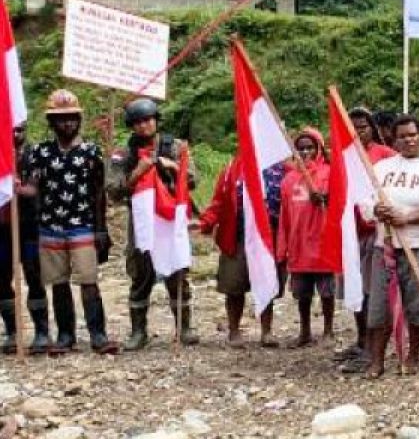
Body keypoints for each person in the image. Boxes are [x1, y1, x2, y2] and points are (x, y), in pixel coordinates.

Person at [26, 90, 118, 354]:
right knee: (59, 282)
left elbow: (99, 192)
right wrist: (12, 186)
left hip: (83, 225)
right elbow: (33, 188)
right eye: (60, 118)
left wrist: (101, 229)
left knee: (88, 280)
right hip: (50, 226)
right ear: (51, 122)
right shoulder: (40, 152)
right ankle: (65, 335)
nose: (66, 123)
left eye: (71, 118)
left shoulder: (90, 151)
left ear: (79, 119)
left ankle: (98, 335)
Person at [363, 113, 419, 377]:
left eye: (413, 134)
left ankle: (413, 356)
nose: (409, 140)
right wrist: (377, 210)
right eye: (403, 136)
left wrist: (405, 218)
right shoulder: (381, 169)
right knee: (379, 305)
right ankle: (376, 361)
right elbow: (365, 202)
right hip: (385, 247)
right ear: (394, 139)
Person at [108, 97, 198, 350]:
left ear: (156, 120)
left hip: (169, 217)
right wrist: (138, 172)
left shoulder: (175, 146)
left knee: (176, 270)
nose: (143, 125)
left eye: (147, 119)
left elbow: (192, 180)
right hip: (141, 221)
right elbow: (113, 190)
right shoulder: (123, 154)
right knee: (140, 272)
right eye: (137, 122)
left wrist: (174, 167)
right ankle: (138, 331)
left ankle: (185, 327)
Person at [336, 105, 396, 372]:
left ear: (372, 128)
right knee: (354, 288)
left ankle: (374, 346)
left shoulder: (386, 156)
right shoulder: (342, 156)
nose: (358, 131)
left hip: (376, 233)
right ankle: (361, 340)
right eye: (353, 126)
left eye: (362, 126)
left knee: (374, 292)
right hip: (351, 233)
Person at [199, 156, 282, 347]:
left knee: (267, 282)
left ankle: (266, 331)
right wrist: (205, 222)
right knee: (234, 285)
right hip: (236, 235)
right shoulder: (231, 169)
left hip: (267, 236)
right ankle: (234, 330)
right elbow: (219, 201)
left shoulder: (277, 169)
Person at [279, 128, 336, 347]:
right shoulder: (288, 180)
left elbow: (339, 202)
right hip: (299, 244)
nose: (305, 152)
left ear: (319, 148)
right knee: (302, 293)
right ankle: (305, 331)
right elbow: (285, 215)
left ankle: (329, 329)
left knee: (327, 291)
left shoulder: (329, 173)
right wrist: (282, 247)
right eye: (300, 148)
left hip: (323, 242)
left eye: (310, 147)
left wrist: (325, 198)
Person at [0, 123, 49, 354]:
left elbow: (36, 188)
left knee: (33, 274)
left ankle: (41, 331)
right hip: (2, 229)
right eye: (11, 130)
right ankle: (12, 331)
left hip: (29, 227)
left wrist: (18, 188)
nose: (16, 135)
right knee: (1, 278)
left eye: (20, 130)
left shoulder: (34, 155)